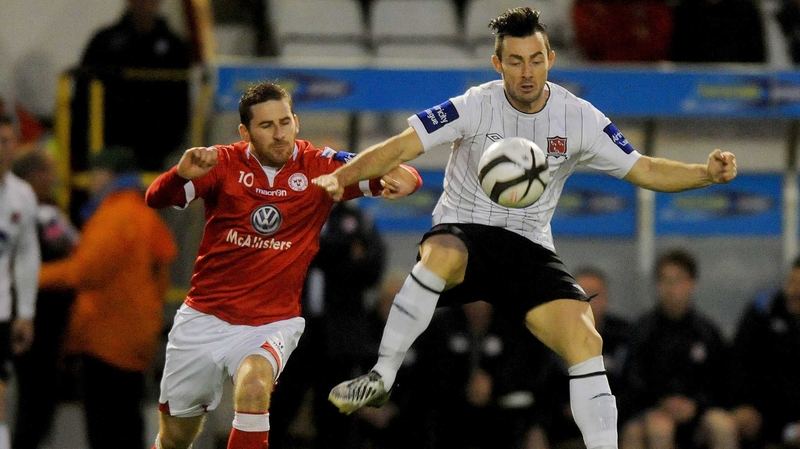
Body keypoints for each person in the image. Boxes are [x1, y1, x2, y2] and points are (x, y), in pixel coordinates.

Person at [312, 7, 737, 449]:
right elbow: (399, 147)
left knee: (584, 335)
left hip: (527, 246)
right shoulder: (475, 104)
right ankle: (381, 377)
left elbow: (645, 169)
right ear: (498, 65)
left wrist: (705, 173)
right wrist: (340, 178)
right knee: (442, 256)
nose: (526, 72)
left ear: (551, 57)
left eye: (535, 59)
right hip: (465, 230)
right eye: (514, 61)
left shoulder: (580, 118)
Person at [144, 81, 422, 449]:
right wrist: (180, 174)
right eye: (266, 126)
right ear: (245, 132)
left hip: (272, 321)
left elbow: (400, 175)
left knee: (256, 387)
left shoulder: (319, 166)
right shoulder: (223, 162)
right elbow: (157, 198)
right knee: (175, 438)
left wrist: (404, 179)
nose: (279, 134)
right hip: (205, 318)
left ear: (296, 121)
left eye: (285, 122)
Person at [37, 145, 177, 449]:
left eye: (96, 175)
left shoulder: (115, 215)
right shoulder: (145, 214)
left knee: (106, 427)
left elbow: (85, 272)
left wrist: (33, 276)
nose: (92, 182)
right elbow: (161, 272)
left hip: (107, 339)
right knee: (128, 421)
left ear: (108, 175)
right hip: (137, 336)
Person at [270, 201, 388, 449]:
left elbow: (372, 268)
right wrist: (342, 250)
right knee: (278, 411)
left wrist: (315, 254)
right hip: (292, 335)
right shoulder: (294, 212)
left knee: (335, 420)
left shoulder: (358, 219)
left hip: (339, 338)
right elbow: (279, 261)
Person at [620, 250, 738, 449]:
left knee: (723, 425)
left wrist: (696, 405)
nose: (670, 288)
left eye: (677, 281)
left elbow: (720, 380)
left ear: (692, 283)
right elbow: (632, 378)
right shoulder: (642, 330)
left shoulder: (707, 332)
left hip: (697, 412)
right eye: (664, 281)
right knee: (660, 428)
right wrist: (661, 401)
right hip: (653, 409)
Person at [72, 0, 192, 172]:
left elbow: (182, 102)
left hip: (158, 148)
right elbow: (82, 97)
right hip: (110, 147)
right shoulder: (104, 42)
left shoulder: (175, 46)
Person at [11, 149, 80, 449]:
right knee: (36, 394)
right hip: (41, 319)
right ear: (33, 177)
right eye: (48, 172)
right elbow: (76, 251)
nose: (54, 178)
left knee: (32, 394)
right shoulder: (43, 216)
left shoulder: (35, 213)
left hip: (32, 315)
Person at [731, 255, 800, 448]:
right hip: (763, 415)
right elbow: (739, 361)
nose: (796, 291)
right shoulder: (763, 311)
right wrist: (742, 403)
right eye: (792, 282)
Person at [0, 114, 39, 449]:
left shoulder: (21, 196)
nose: (1, 149)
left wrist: (25, 311)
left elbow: (27, 254)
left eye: (6, 141)